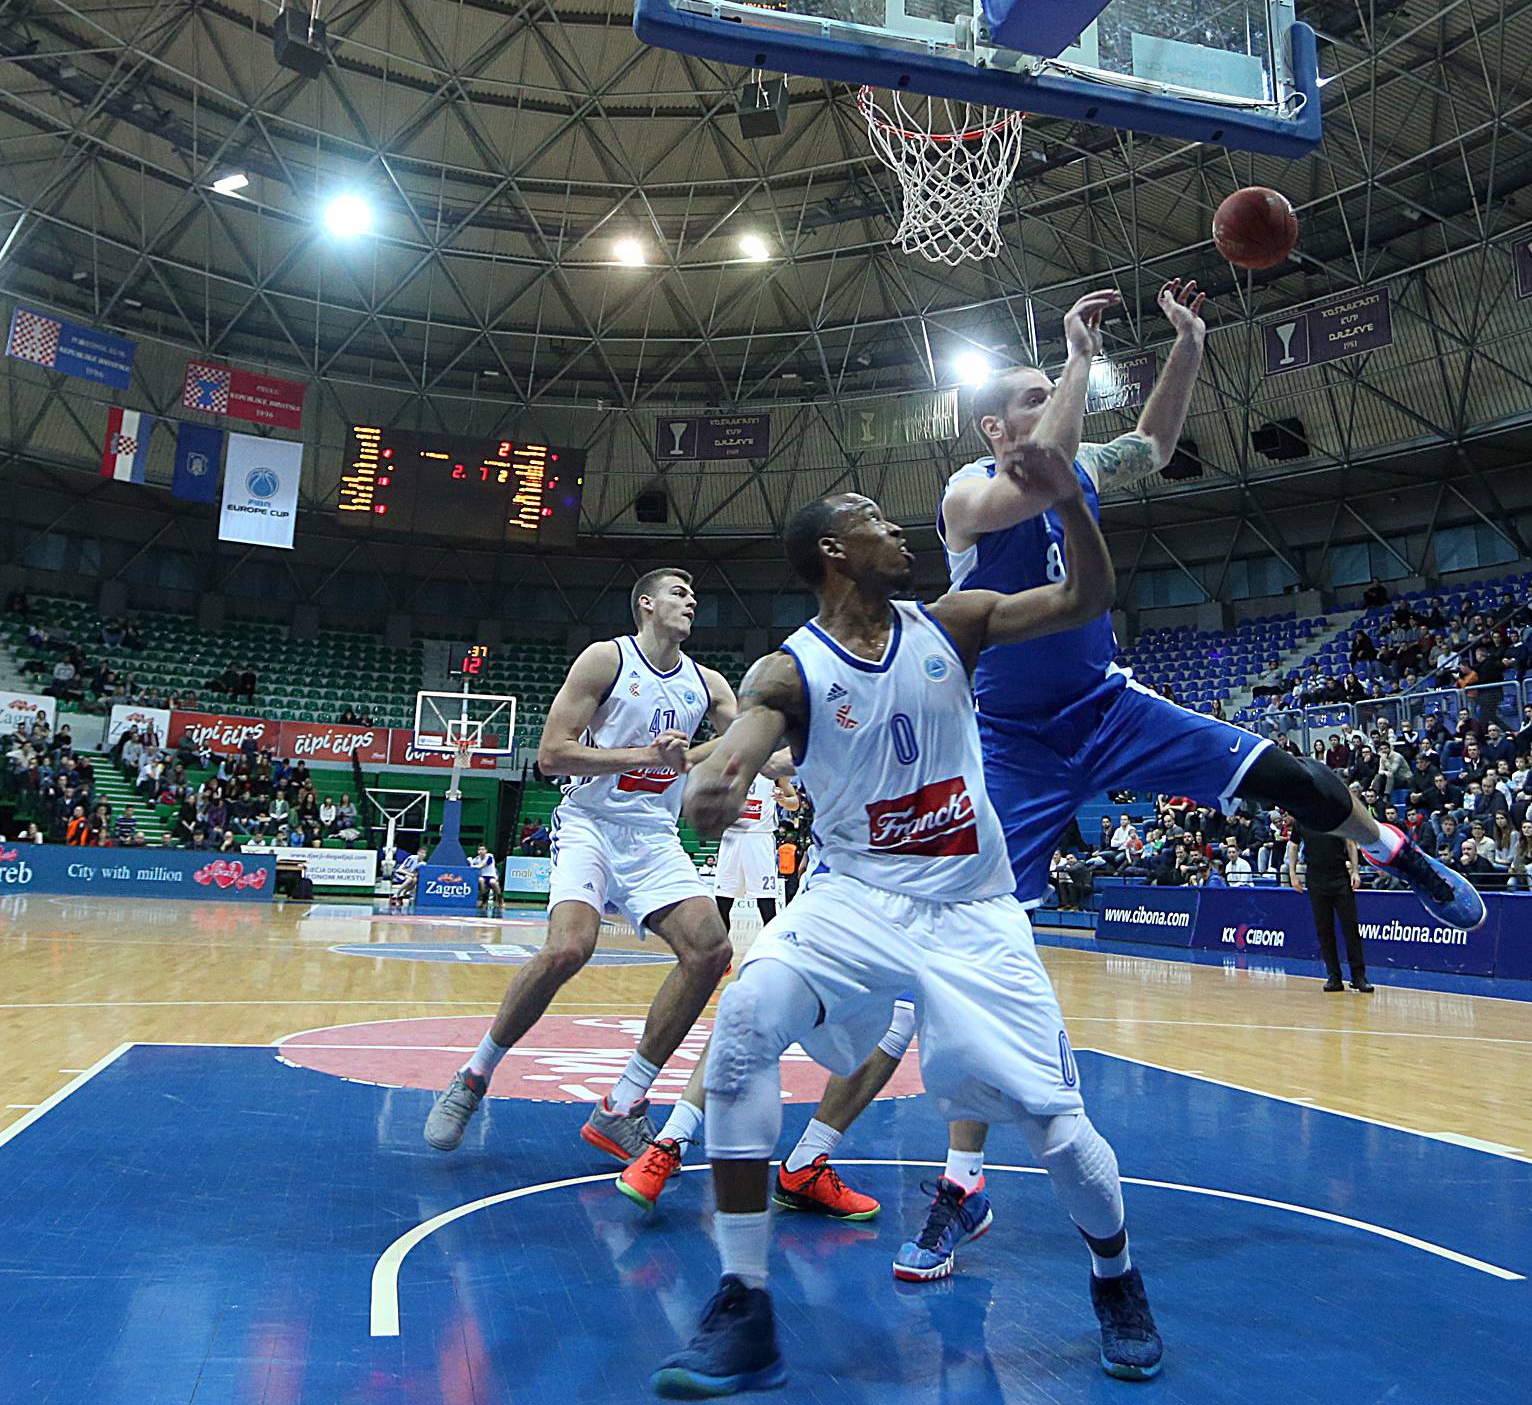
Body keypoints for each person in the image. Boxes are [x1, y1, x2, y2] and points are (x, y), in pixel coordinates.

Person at [763, 286, 1485, 1285]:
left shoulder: (1084, 460)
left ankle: (1399, 851)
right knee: (971, 976)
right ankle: (962, 1184)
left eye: (1059, 386)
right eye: (1036, 390)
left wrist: (1189, 345)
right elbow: (1042, 472)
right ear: (993, 421)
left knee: (1296, 776)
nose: (1062, 394)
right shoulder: (968, 494)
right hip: (1012, 743)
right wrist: (1068, 356)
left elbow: (1147, 437)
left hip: (1108, 703)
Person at [647, 449, 1164, 1396]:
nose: (902, 532)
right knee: (745, 1024)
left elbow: (1084, 598)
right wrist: (710, 791)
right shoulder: (790, 669)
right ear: (838, 550)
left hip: (971, 906)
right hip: (855, 898)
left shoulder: (955, 622)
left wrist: (1070, 499)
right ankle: (744, 1303)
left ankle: (1115, 1277)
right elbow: (734, 758)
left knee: (1056, 1128)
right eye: (879, 520)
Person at [423, 568, 737, 1165]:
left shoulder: (708, 683)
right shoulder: (606, 660)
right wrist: (645, 754)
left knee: (712, 951)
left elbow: (749, 742)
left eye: (693, 593)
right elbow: (551, 754)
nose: (692, 599)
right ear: (646, 604)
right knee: (569, 948)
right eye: (679, 591)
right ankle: (473, 1075)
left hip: (653, 834)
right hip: (590, 825)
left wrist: (801, 756)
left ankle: (622, 1105)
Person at [712, 768, 799, 932]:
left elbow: (794, 803)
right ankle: (720, 955)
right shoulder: (729, 764)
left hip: (759, 838)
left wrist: (783, 801)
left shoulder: (775, 768)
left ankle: (771, 952)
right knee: (723, 902)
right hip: (732, 836)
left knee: (766, 905)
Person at [1287, 826, 1369, 992]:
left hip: (1340, 877)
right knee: (1324, 930)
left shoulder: (1336, 814)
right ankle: (1334, 976)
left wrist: (1355, 871)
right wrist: (1293, 874)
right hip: (1316, 879)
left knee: (1351, 928)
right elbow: (1294, 845)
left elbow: (1351, 843)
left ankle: (1358, 977)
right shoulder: (1302, 819)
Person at [468, 843, 501, 916]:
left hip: (491, 876)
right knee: (480, 880)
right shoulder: (476, 859)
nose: (481, 851)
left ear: (486, 850)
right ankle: (484, 900)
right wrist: (470, 862)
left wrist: (473, 866)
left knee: (493, 882)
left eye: (483, 849)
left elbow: (482, 866)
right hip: (483, 877)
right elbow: (471, 866)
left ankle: (500, 900)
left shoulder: (490, 856)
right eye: (479, 849)